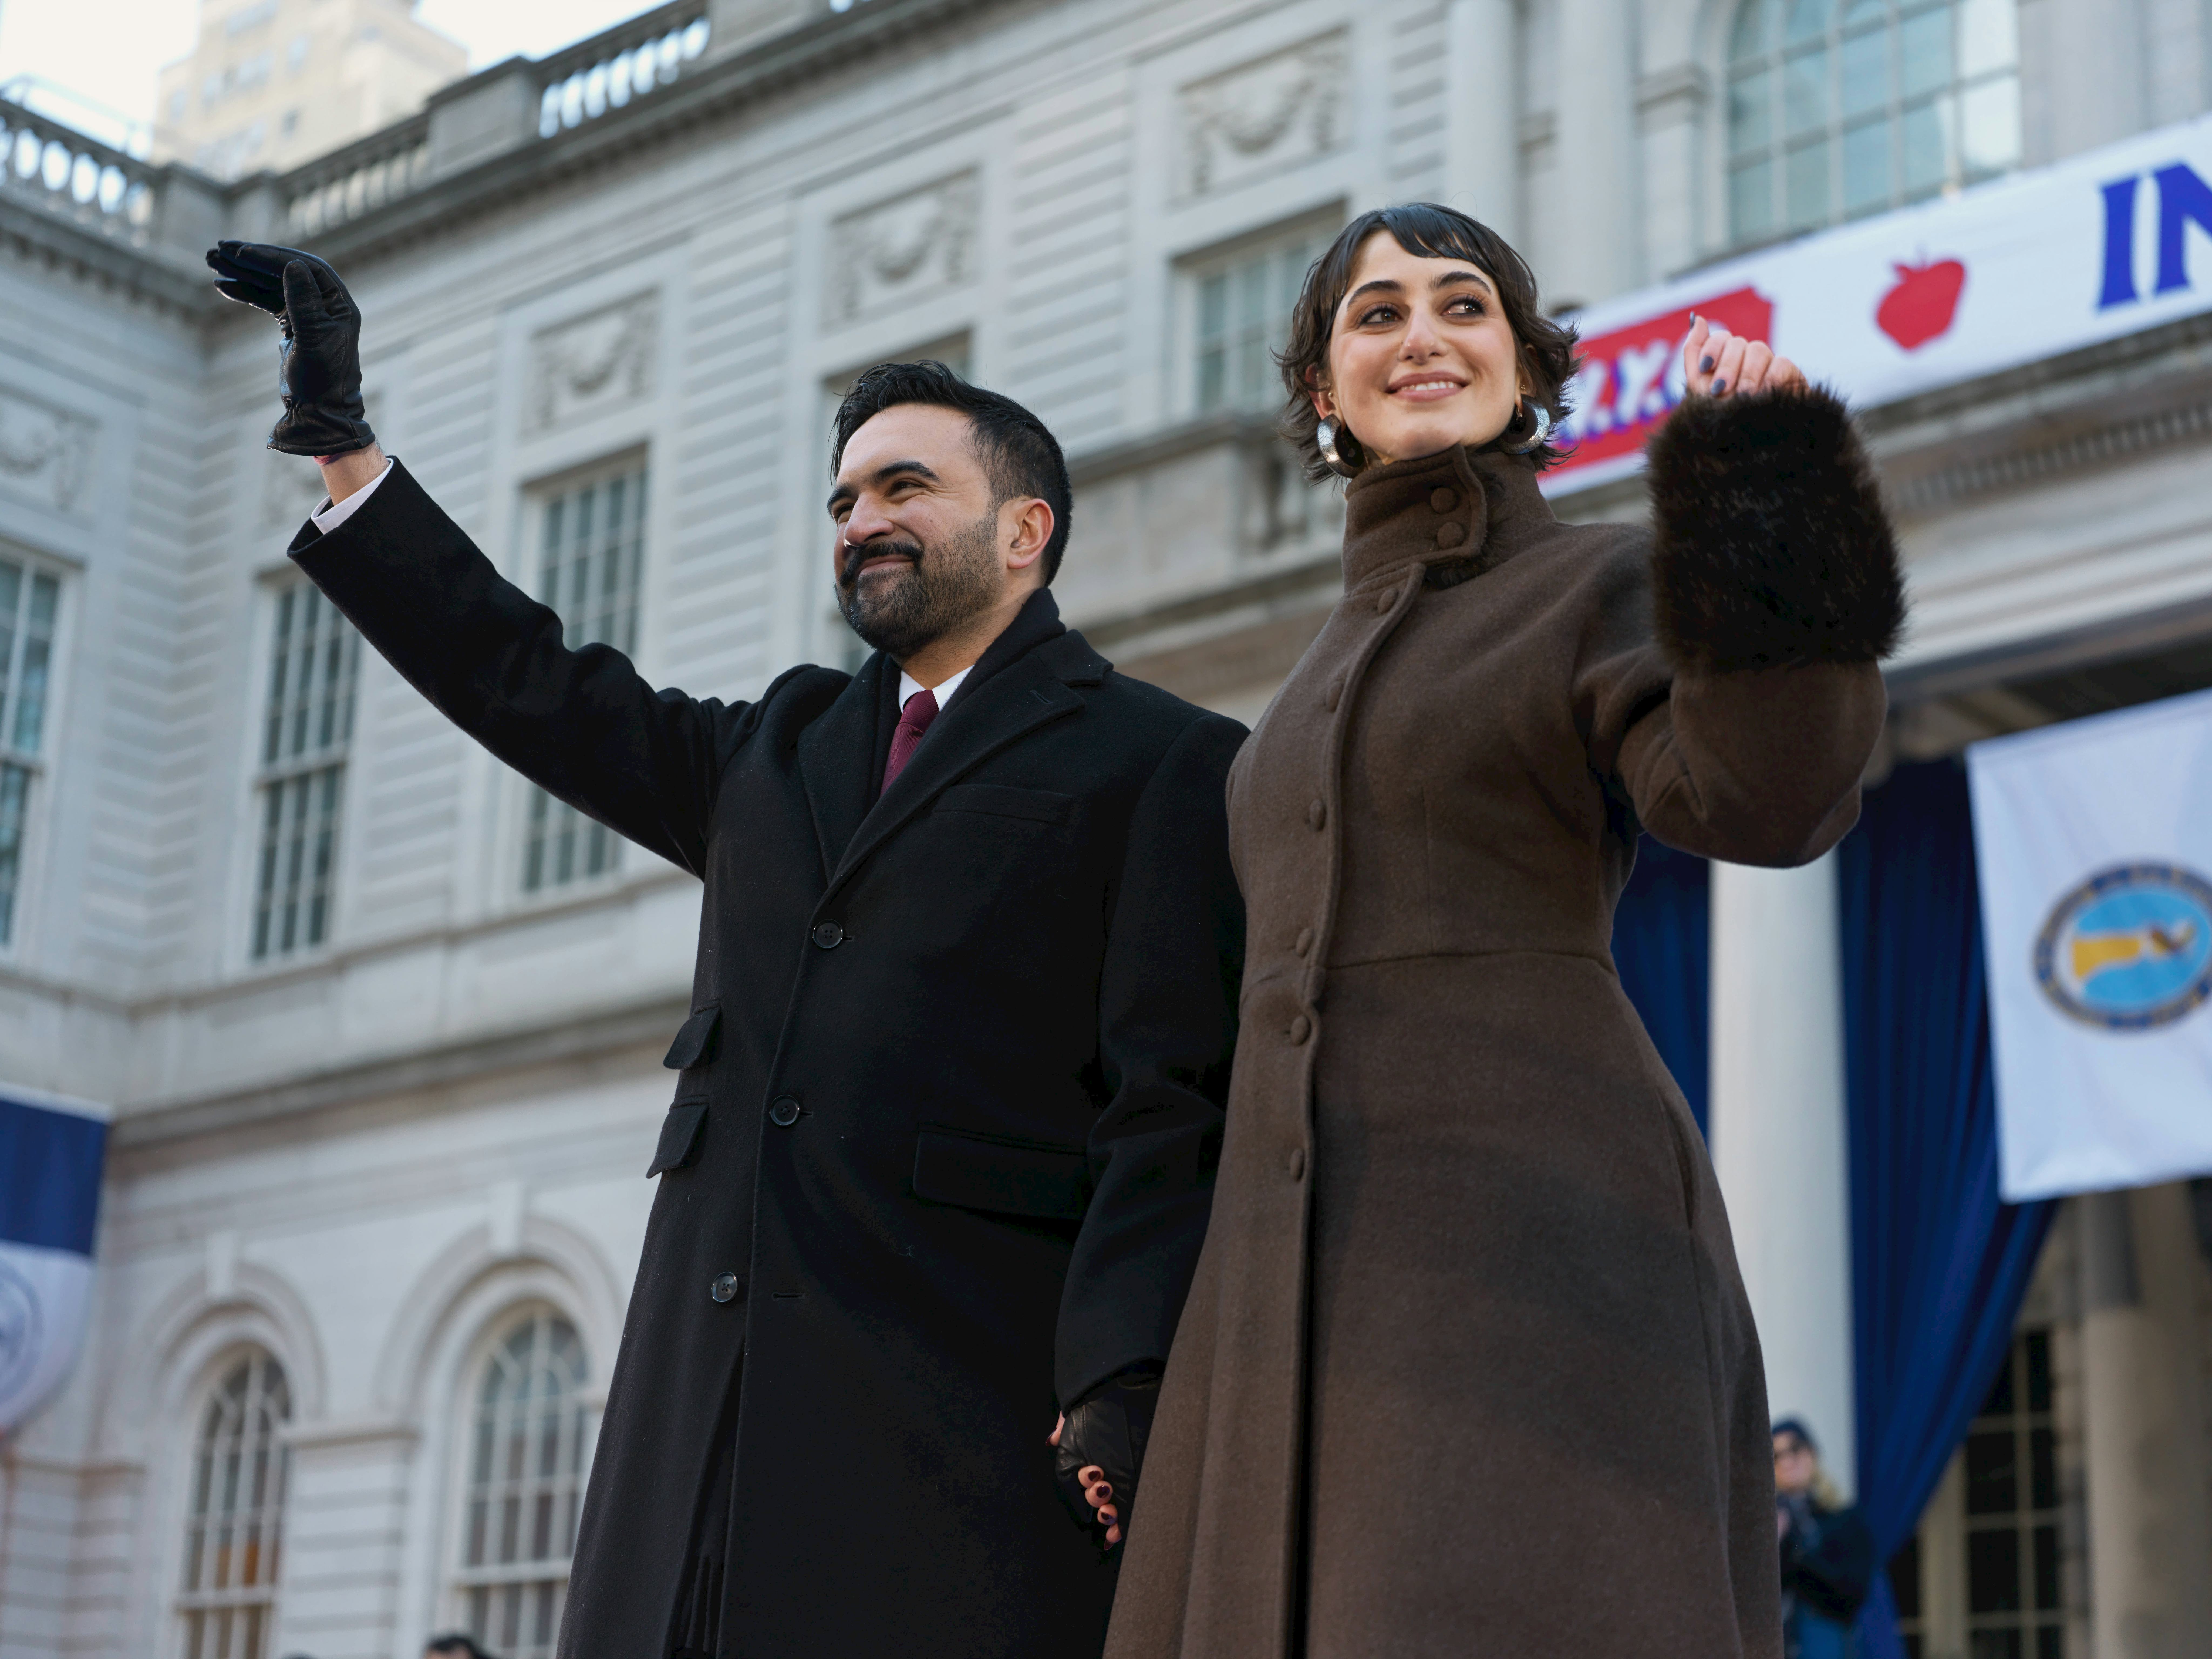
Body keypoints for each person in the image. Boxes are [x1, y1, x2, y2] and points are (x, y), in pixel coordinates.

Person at [205, 242, 1247, 1659]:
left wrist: (1123, 1379)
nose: (859, 519)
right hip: (696, 1440)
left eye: (902, 487)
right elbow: (531, 682)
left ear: (1026, 532)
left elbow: (1169, 1108)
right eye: (843, 498)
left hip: (953, 1451)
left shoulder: (1165, 764)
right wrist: (348, 459)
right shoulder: (779, 745)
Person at [1105, 203, 1906, 1658]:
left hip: (1541, 1262)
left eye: (1464, 305)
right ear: (1322, 393)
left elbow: (1768, 799)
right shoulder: (1301, 685)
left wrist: (1772, 508)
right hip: (1282, 1290)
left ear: (1529, 374)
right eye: (1377, 312)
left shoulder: (1599, 581)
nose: (1422, 333)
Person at [1774, 1418, 1878, 1659]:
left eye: (1795, 1449)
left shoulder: (1843, 1519)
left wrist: (1797, 1551)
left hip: (1829, 1643)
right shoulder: (1764, 1524)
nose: (1787, 1462)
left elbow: (1853, 1594)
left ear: (1811, 1453)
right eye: (1776, 1456)